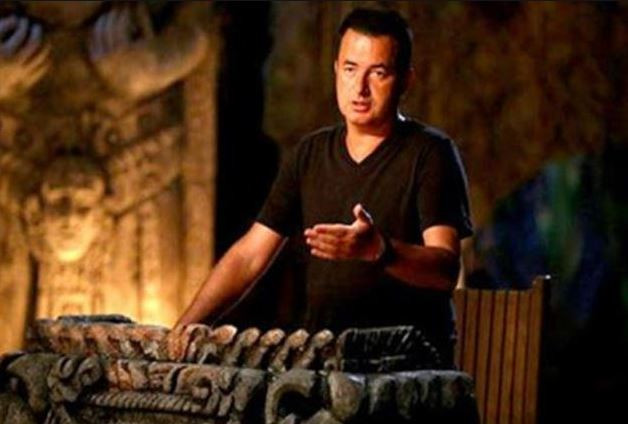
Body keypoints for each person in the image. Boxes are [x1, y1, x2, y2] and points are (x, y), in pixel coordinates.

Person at [176, 7, 473, 366]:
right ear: (336, 71)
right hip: (323, 359)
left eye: (378, 73)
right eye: (350, 69)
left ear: (406, 81)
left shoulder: (431, 153)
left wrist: (380, 250)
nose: (360, 88)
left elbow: (445, 270)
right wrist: (188, 326)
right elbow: (250, 255)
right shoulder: (310, 153)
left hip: (407, 364)